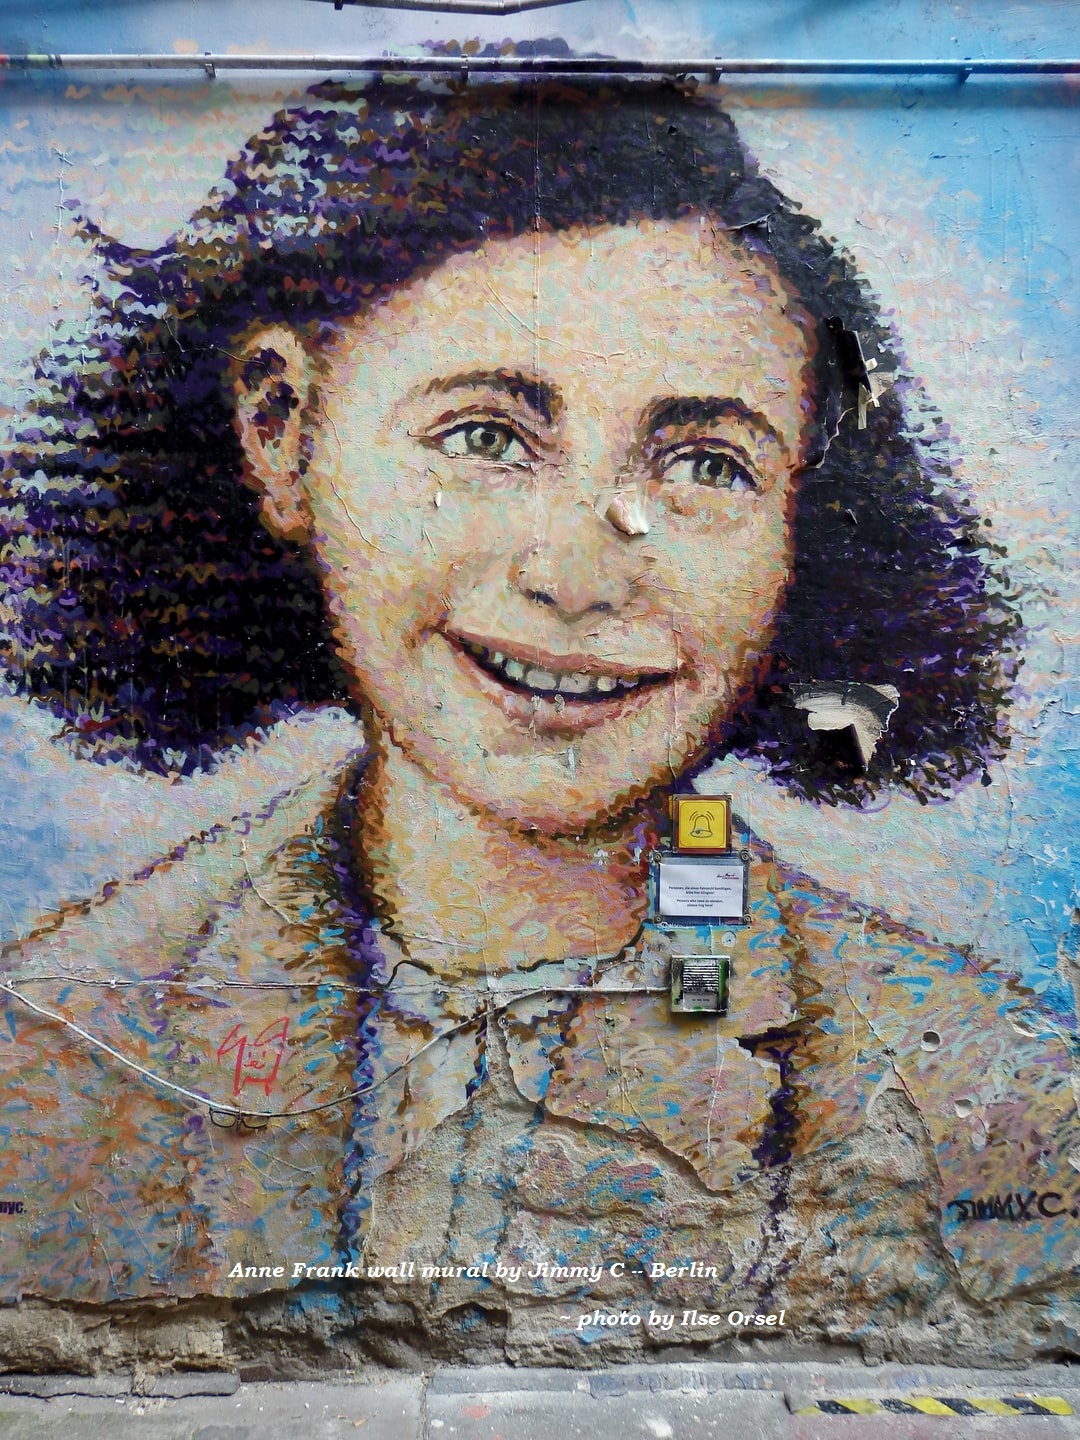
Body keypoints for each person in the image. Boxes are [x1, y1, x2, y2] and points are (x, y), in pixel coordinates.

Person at [0, 78, 1074, 1353]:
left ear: (805, 530)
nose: (578, 576)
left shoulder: (987, 1091)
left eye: (706, 465)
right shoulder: (52, 1039)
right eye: (487, 437)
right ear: (285, 432)